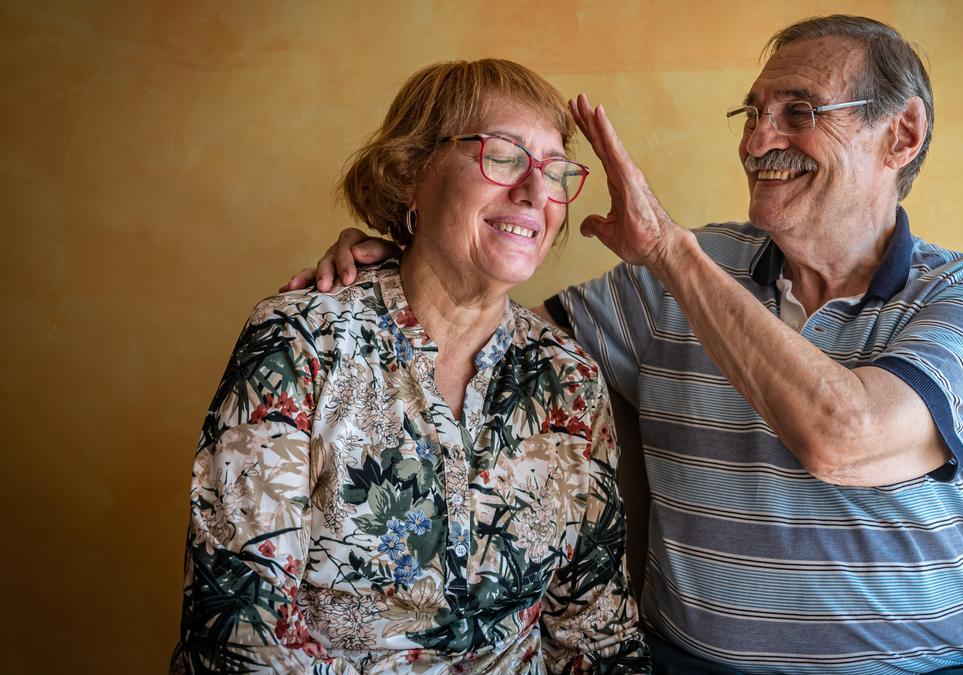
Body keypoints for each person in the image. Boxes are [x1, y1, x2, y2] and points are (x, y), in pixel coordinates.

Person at [289, 16, 963, 675]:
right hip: (690, 666)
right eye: (752, 113)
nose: (757, 139)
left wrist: (671, 253)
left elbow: (846, 437)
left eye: (798, 111)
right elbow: (491, 340)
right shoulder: (676, 274)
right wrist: (408, 256)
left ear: (901, 135)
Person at [173, 58, 650, 673]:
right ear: (410, 176)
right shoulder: (300, 342)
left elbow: (594, 632)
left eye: (555, 170)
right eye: (504, 156)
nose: (536, 192)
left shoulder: (569, 381)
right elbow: (239, 630)